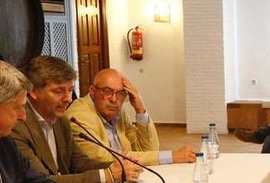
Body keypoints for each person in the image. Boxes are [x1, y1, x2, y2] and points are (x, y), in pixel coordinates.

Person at [11, 56, 139, 183]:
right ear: (33, 91)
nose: (68, 98)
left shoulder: (61, 120)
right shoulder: (18, 125)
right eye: (58, 91)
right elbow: (42, 182)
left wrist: (119, 166)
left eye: (70, 90)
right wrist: (107, 176)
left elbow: (80, 163)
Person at [65, 68, 195, 166]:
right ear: (92, 92)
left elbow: (148, 149)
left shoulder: (117, 113)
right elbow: (106, 157)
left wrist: (140, 109)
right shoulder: (78, 117)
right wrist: (171, 156)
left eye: (121, 93)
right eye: (107, 91)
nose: (114, 99)